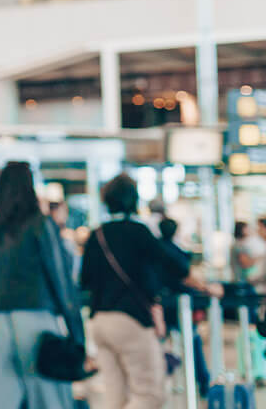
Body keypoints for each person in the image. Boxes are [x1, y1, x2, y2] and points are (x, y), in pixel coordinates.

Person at [80, 174, 222, 409]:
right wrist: (206, 287)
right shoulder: (138, 231)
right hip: (131, 320)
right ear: (134, 200)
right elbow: (173, 265)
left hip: (100, 321)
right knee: (149, 394)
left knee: (115, 397)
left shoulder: (98, 234)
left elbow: (84, 280)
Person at [0, 162, 80, 409]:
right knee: (50, 401)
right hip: (37, 323)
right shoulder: (41, 225)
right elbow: (60, 281)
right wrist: (77, 335)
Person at [156, 218, 210, 397]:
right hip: (177, 304)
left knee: (161, 343)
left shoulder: (157, 248)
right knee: (192, 340)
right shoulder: (173, 251)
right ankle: (203, 381)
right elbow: (184, 274)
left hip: (161, 304)